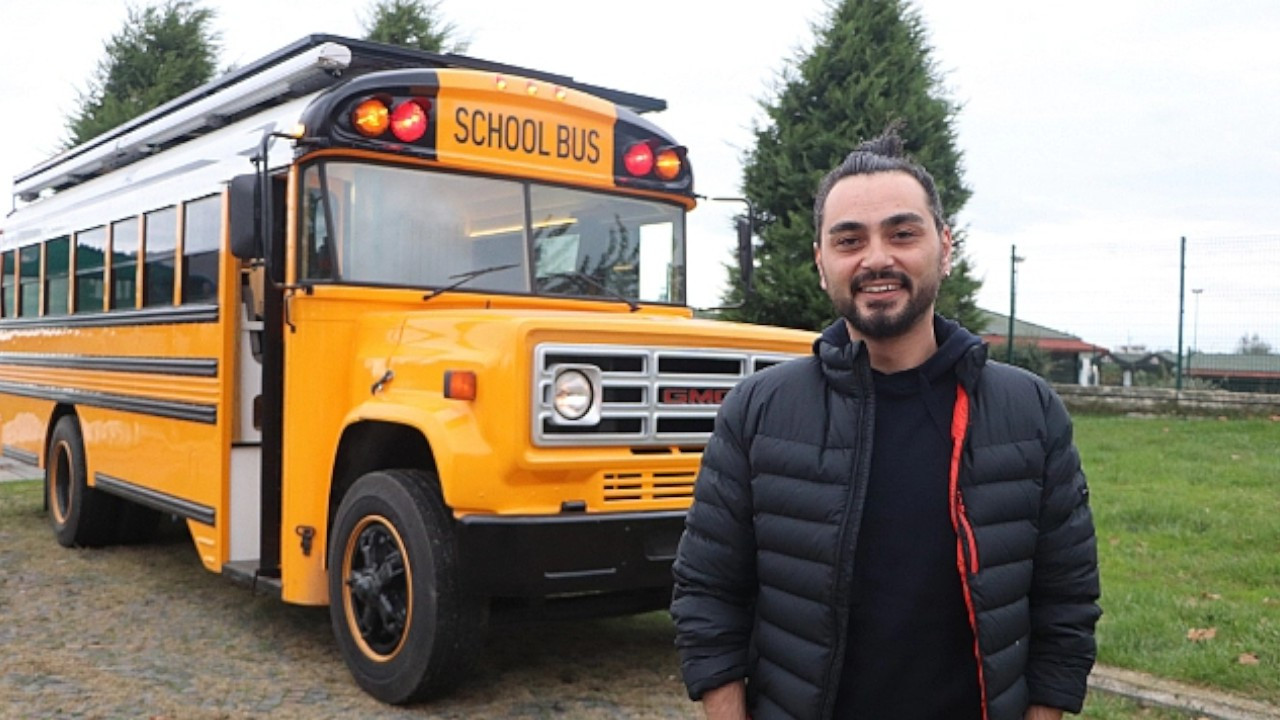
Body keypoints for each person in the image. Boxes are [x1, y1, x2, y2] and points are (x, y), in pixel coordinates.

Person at [670, 130, 1100, 720]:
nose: (876, 258)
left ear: (944, 248)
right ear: (822, 264)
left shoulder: (1028, 411)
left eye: (902, 233)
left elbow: (1066, 603)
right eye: (849, 240)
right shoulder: (757, 411)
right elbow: (708, 594)